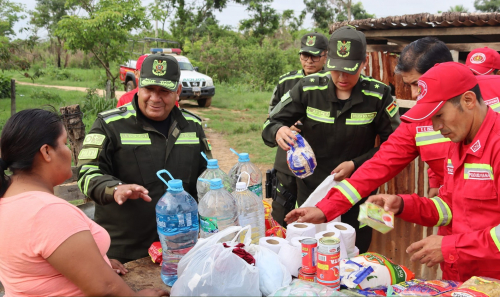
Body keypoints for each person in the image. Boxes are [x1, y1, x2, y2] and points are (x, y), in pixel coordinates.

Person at [285, 37, 500, 233]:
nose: (416, 95)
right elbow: (379, 165)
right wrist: (325, 208)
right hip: (454, 219)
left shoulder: (490, 105)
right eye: (410, 86)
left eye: (418, 83)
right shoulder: (420, 119)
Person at [0, 109, 167, 296]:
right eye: (64, 143)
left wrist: (99, 263)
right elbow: (106, 289)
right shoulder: (48, 212)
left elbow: (36, 268)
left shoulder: (8, 198)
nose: (70, 151)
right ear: (47, 152)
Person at [262, 26, 400, 253]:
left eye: (350, 70)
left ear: (364, 63)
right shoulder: (308, 87)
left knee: (362, 247)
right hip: (314, 186)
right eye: (336, 70)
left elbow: (395, 146)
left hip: (362, 186)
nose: (342, 78)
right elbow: (270, 123)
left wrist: (355, 164)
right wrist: (278, 131)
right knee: (313, 248)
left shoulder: (379, 94)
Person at [368, 62, 500, 281]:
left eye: (439, 115)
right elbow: (448, 207)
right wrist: (402, 205)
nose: (435, 127)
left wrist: (452, 246)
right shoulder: (457, 142)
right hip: (461, 277)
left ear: (468, 100)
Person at [78, 54, 212, 263]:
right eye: (149, 89)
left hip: (181, 248)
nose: (155, 98)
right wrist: (115, 188)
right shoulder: (109, 124)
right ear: (138, 87)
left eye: (164, 91)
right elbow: (87, 174)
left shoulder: (192, 126)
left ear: (177, 91)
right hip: (125, 253)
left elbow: (207, 178)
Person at [268, 32, 328, 226]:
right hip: (286, 155)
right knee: (280, 210)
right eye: (304, 55)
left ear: (325, 55)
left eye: (315, 56)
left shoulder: (332, 83)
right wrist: (283, 126)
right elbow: (272, 114)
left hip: (316, 159)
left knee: (310, 212)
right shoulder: (286, 81)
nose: (309, 61)